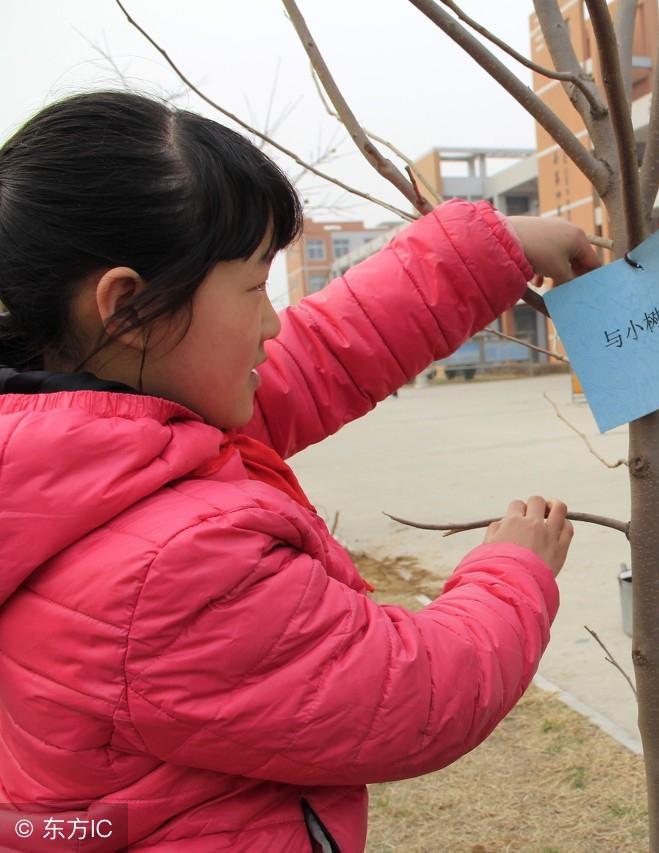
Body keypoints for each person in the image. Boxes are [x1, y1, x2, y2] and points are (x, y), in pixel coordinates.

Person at [0, 91, 598, 850]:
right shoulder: (169, 570)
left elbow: (327, 350)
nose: (274, 320)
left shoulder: (80, 449)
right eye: (254, 288)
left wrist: (492, 250)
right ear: (128, 308)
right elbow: (412, 695)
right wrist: (513, 568)